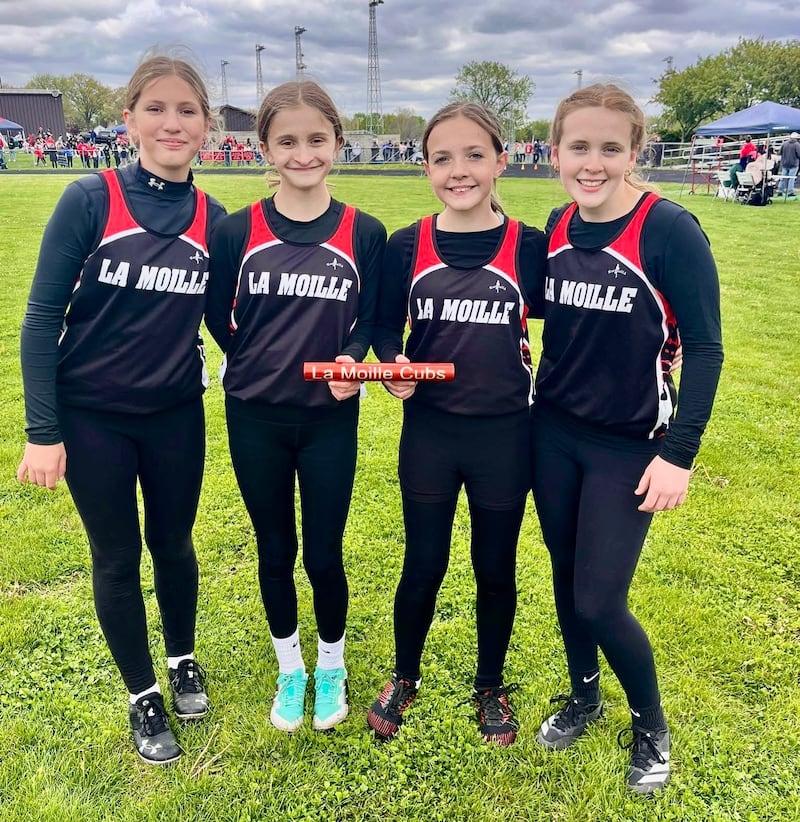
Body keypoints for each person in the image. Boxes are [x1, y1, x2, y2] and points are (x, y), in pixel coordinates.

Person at [16, 51, 227, 766]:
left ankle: (182, 660)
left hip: (174, 415)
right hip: (92, 417)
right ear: (130, 117)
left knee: (174, 544)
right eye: (157, 107)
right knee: (116, 554)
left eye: (188, 110)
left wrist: (313, 359)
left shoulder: (213, 216)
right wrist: (43, 432)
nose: (173, 122)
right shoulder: (91, 197)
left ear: (207, 127)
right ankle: (142, 695)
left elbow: (232, 324)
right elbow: (42, 316)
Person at [529, 84, 723, 794]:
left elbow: (704, 348)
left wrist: (679, 453)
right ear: (555, 153)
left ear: (635, 153)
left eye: (611, 148)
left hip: (630, 445)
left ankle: (651, 724)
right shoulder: (554, 226)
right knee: (562, 575)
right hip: (552, 433)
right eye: (579, 147)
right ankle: (584, 695)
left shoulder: (668, 228)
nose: (593, 162)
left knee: (599, 599)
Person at [205, 80, 386, 734]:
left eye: (316, 139)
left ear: (337, 142)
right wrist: (252, 359)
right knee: (274, 549)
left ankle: (331, 663)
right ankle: (291, 669)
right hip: (255, 416)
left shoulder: (365, 232)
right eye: (287, 140)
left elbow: (371, 315)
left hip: (328, 420)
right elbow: (216, 313)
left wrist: (354, 354)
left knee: (323, 555)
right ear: (265, 148)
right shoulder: (235, 231)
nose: (303, 153)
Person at [366, 102, 548, 746]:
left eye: (475, 155)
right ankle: (405, 675)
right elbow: (385, 328)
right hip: (432, 433)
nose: (459, 170)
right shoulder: (405, 244)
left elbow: (581, 309)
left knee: (495, 566)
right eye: (443, 158)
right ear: (425, 169)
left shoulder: (530, 245)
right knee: (423, 562)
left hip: (505, 434)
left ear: (503, 160)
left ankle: (489, 686)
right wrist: (393, 364)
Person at [776, 132, 800, 198]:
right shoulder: (797, 144)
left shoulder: (784, 143)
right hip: (794, 164)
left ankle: (780, 190)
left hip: (784, 163)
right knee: (791, 178)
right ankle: (790, 192)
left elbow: (779, 152)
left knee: (783, 178)